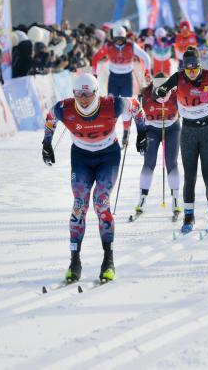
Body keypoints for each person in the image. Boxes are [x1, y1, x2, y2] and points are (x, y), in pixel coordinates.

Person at [41, 74, 146, 283]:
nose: (83, 98)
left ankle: (108, 260)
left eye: (87, 93)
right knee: (79, 205)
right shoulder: (65, 108)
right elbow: (51, 117)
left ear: (96, 93)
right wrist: (46, 143)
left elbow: (135, 106)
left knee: (101, 202)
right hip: (81, 158)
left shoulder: (112, 105)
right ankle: (74, 261)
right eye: (79, 93)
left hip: (108, 156)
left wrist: (142, 133)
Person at [155, 47, 208, 234]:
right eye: (188, 70)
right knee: (190, 177)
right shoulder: (177, 78)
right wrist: (160, 91)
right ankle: (188, 216)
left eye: (195, 70)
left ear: (200, 66)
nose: (192, 74)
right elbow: (159, 91)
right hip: (188, 131)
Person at [135, 73, 182, 220]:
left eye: (165, 90)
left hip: (172, 129)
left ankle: (175, 199)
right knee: (149, 163)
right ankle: (142, 197)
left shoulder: (176, 94)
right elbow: (137, 116)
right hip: (152, 130)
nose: (161, 94)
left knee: (171, 163)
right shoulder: (145, 95)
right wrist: (140, 135)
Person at [91, 26, 151, 97]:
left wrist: (147, 72)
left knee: (126, 102)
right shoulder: (108, 46)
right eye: (117, 39)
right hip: (113, 78)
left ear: (125, 37)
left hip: (127, 78)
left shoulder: (131, 46)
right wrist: (94, 73)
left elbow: (146, 57)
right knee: (112, 101)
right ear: (113, 38)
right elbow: (95, 58)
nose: (119, 41)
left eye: (121, 39)